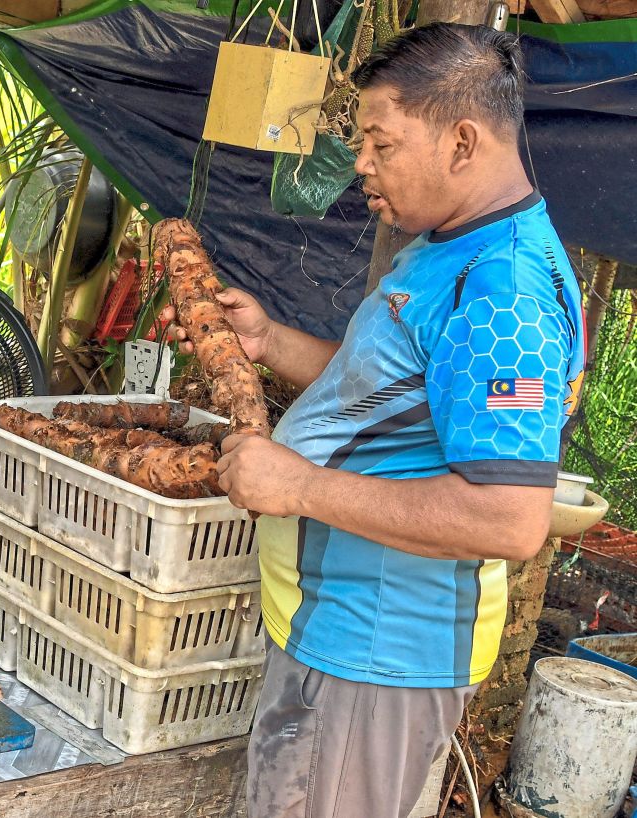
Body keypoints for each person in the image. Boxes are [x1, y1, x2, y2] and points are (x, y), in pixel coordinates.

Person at [165, 23, 584, 817]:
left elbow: (508, 519)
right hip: (335, 634)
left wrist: (300, 487)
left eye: (379, 142)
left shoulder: (505, 293)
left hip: (381, 653)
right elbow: (385, 393)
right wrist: (270, 341)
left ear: (461, 141)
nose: (359, 163)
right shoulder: (444, 246)